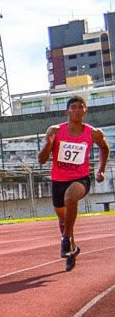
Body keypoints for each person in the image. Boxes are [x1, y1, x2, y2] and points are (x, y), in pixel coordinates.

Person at [37, 95, 109, 271]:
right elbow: (42, 160)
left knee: (71, 198)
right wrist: (49, 144)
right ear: (67, 111)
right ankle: (72, 250)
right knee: (63, 221)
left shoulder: (93, 133)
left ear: (85, 110)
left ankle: (65, 240)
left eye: (80, 107)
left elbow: (104, 148)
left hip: (80, 179)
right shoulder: (54, 131)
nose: (77, 110)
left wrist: (101, 169)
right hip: (58, 180)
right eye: (73, 107)